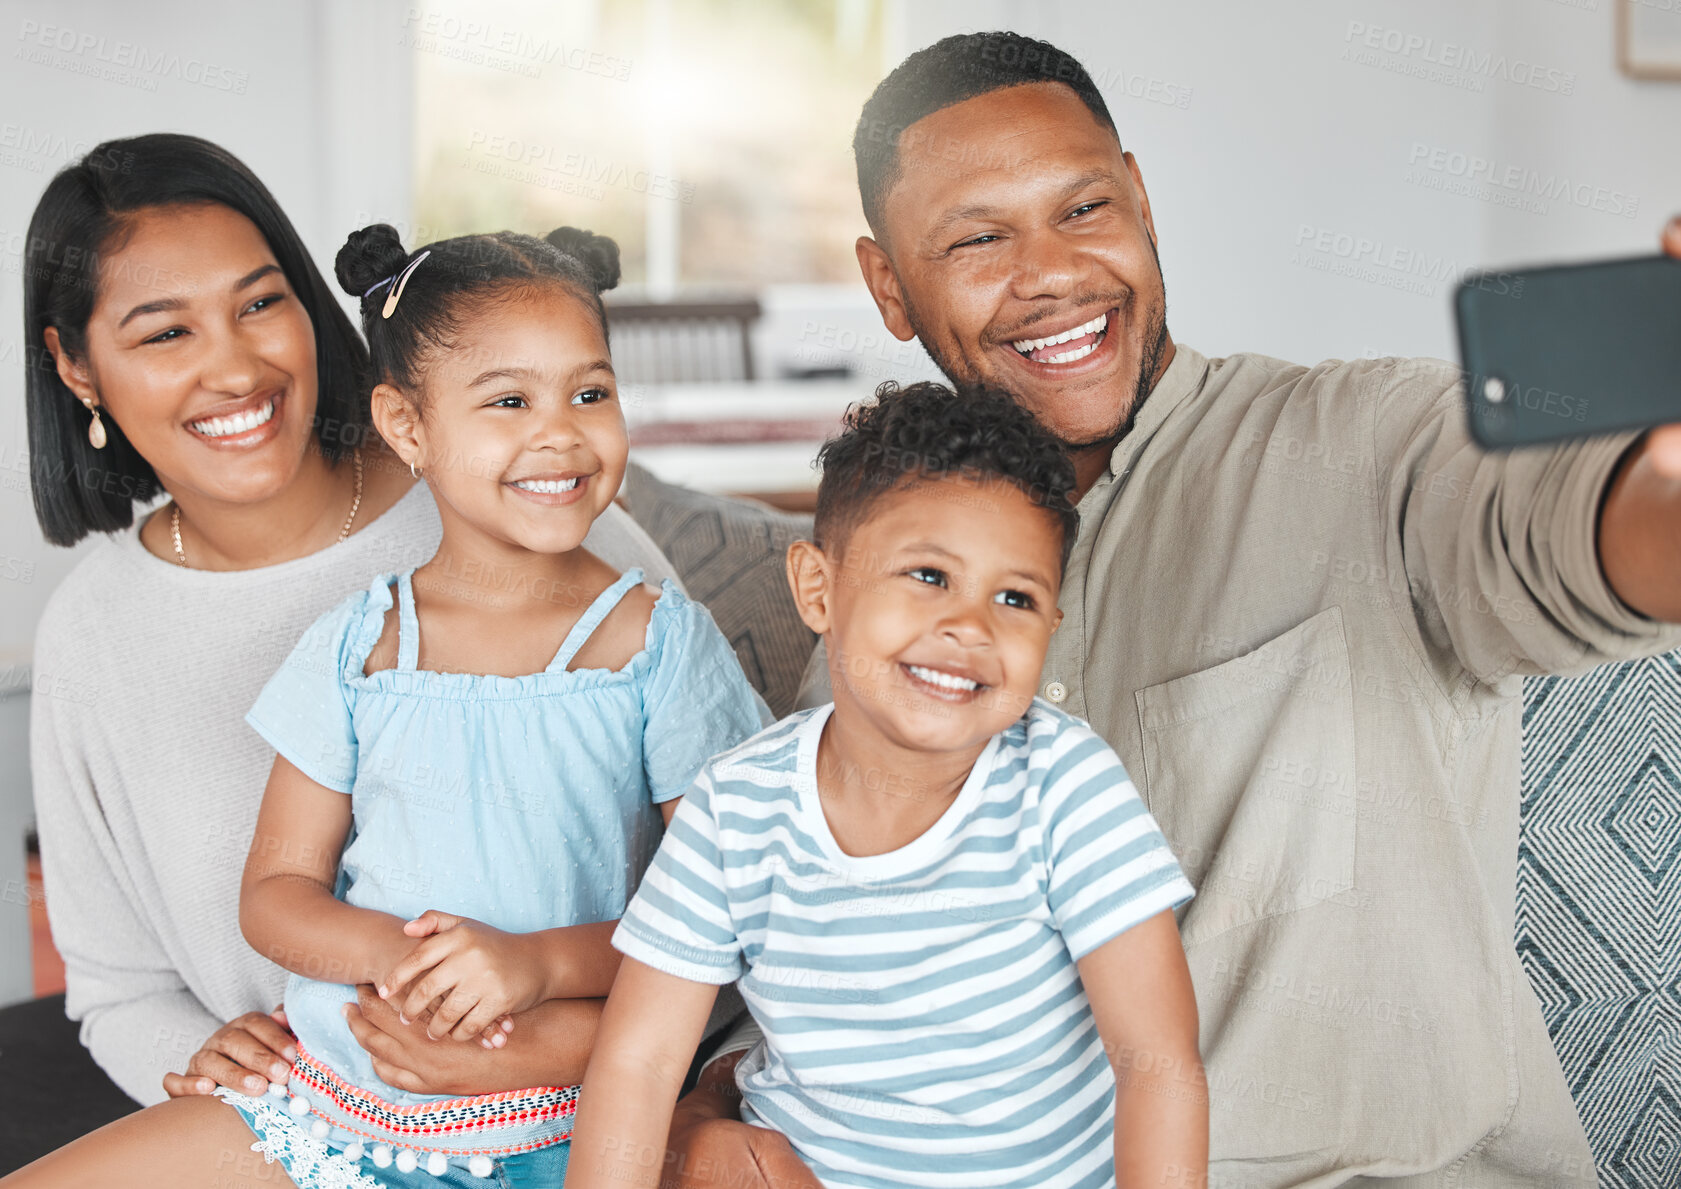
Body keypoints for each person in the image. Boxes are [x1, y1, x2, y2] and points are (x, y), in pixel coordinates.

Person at [672, 31, 1681, 1189]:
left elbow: (1571, 538)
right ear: (888, 287)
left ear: (1141, 201)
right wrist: (710, 1114)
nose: (1050, 272)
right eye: (978, 238)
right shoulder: (883, 604)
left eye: (1084, 208)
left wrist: (1661, 489)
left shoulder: (1363, 449)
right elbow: (829, 962)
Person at [6, 221, 767, 1187]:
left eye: (589, 392)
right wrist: (405, 962)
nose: (559, 431)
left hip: (584, 1107)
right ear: (407, 428)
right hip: (338, 1099)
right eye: (506, 401)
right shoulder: (354, 646)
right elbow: (276, 894)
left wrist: (530, 967)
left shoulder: (658, 645)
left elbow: (735, 914)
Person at [570, 381, 1205, 1188]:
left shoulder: (1062, 784)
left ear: (1050, 627)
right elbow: (638, 1061)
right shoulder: (738, 803)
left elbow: (1158, 1064)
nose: (970, 625)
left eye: (1014, 596)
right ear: (818, 590)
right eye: (928, 575)